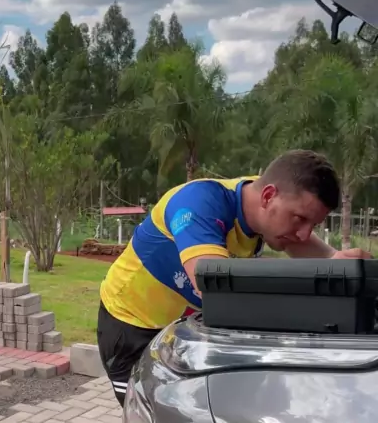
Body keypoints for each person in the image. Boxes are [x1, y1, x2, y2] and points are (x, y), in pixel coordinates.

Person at [98, 149, 370, 406]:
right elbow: (217, 292)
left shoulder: (265, 205)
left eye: (313, 225)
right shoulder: (199, 203)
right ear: (268, 196)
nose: (303, 234)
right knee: (155, 420)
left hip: (181, 327)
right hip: (131, 324)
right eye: (299, 218)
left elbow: (325, 258)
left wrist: (341, 264)